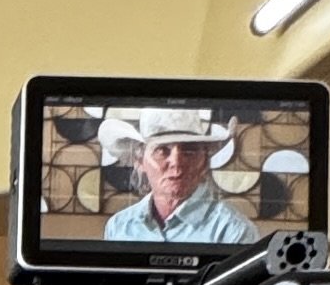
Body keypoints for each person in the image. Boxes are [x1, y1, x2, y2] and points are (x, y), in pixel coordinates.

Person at [101, 106, 259, 250]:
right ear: (140, 161)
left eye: (189, 151)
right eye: (162, 150)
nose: (176, 163)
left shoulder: (233, 230)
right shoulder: (119, 226)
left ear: (204, 163)